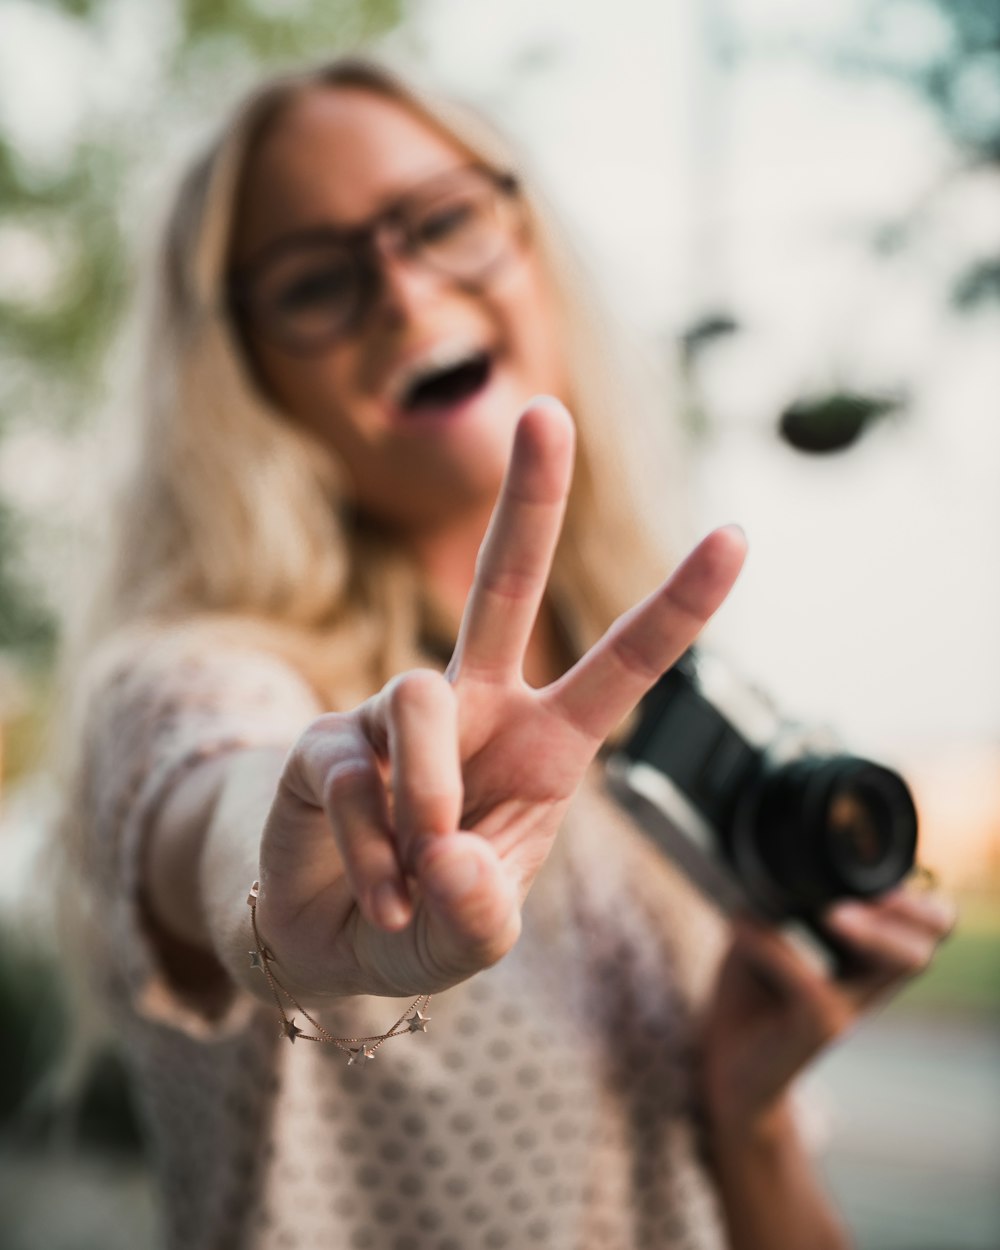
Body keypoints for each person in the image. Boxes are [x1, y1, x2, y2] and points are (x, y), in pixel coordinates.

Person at [66, 57, 954, 1250]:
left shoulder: (660, 730)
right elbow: (213, 792)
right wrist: (298, 867)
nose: (399, 284)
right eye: (316, 280)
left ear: (531, 244)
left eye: (440, 220)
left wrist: (751, 1117)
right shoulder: (189, 676)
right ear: (248, 376)